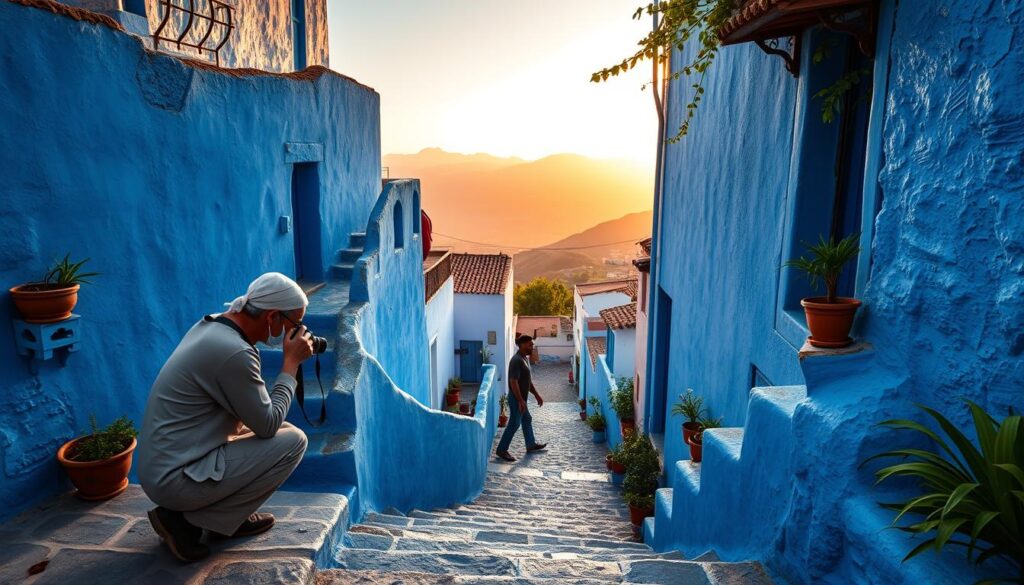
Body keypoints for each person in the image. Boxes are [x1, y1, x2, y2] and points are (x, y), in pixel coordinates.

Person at [137, 272, 314, 562]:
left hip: (168, 463)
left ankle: (226, 521)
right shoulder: (234, 352)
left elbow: (255, 417)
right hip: (175, 478)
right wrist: (291, 364)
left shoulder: (214, 326)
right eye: (294, 324)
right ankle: (184, 522)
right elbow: (267, 425)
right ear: (272, 318)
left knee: (282, 429)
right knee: (293, 441)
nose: (295, 332)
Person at [495, 335, 547, 462]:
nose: (532, 347)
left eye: (532, 345)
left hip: (521, 398)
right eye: (530, 345)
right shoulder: (516, 360)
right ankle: (502, 449)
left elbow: (527, 381)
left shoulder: (525, 359)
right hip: (516, 398)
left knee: (527, 418)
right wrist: (520, 400)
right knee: (514, 423)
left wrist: (536, 394)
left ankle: (530, 445)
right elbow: (513, 382)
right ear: (522, 345)